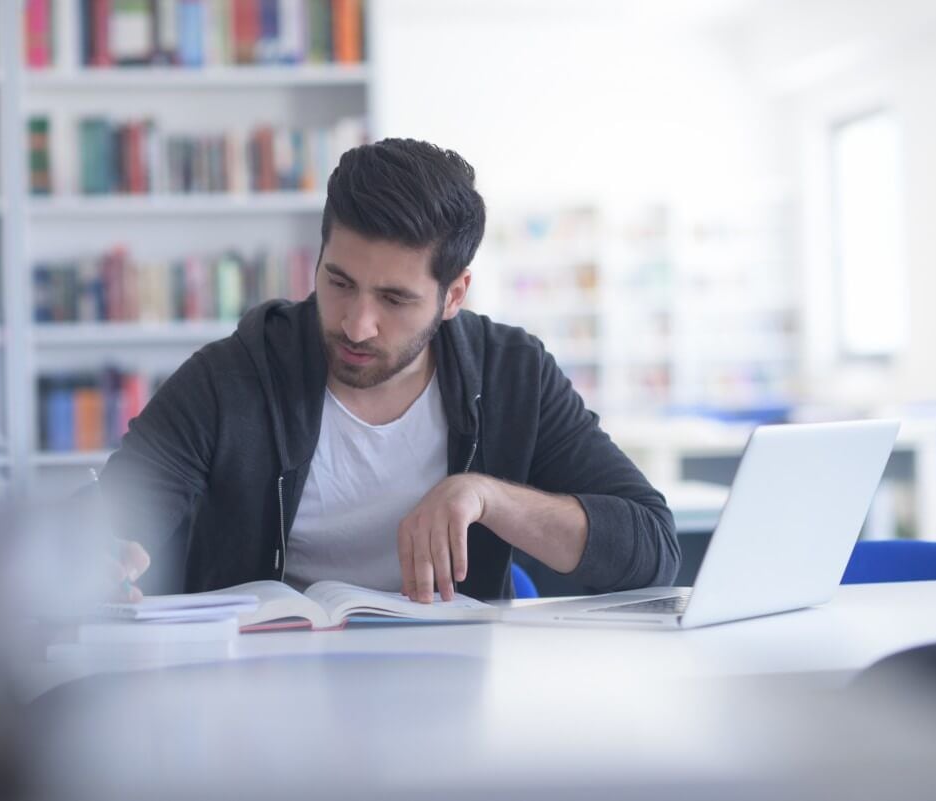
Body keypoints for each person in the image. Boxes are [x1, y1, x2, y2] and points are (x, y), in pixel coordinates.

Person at [100, 138, 679, 603]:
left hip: (453, 693)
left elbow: (652, 550)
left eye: (395, 300)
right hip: (266, 694)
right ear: (320, 258)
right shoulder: (232, 378)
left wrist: (487, 497)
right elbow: (106, 522)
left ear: (454, 296)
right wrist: (102, 556)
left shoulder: (513, 374)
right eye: (339, 283)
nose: (357, 325)